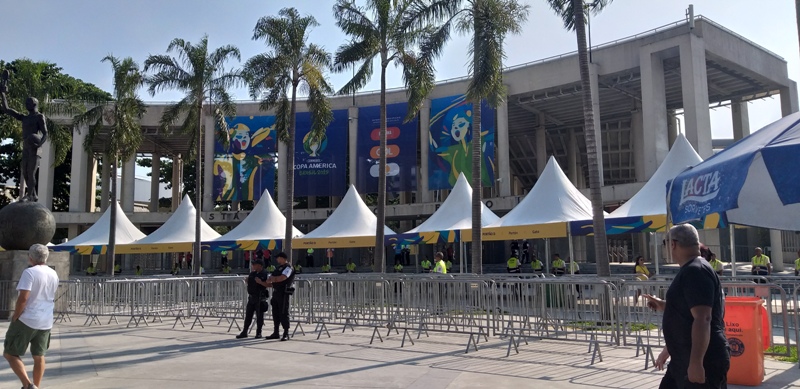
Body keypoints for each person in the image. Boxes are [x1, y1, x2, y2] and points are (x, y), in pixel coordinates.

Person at [644, 224, 729, 389]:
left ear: (673, 244)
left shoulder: (696, 271)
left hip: (702, 358)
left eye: (665, 243)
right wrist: (663, 305)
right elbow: (688, 311)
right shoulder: (692, 270)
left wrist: (696, 363)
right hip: (682, 358)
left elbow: (703, 318)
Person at [3, 244, 59, 389]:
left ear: (31, 257)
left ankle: (27, 385)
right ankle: (37, 386)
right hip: (45, 320)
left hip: (28, 318)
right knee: (39, 356)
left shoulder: (30, 273)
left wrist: (16, 316)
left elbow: (23, 299)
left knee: (10, 353)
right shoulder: (53, 273)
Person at [0, 73, 47, 202]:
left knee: (31, 172)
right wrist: (3, 94)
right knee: (25, 171)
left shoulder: (39, 117)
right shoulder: (24, 117)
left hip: (35, 145)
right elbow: (7, 109)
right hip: (26, 145)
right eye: (26, 102)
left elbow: (45, 133)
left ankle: (30, 195)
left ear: (35, 104)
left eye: (29, 102)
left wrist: (40, 144)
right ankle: (34, 195)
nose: (27, 104)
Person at [258, 252, 295, 341]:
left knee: (283, 312)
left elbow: (283, 277)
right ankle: (276, 332)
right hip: (276, 292)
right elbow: (271, 278)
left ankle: (286, 333)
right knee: (276, 313)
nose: (277, 260)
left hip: (283, 292)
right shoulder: (278, 268)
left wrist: (273, 279)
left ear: (282, 258)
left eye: (278, 258)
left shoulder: (288, 268)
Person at [237, 259, 270, 339]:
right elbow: (250, 282)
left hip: (260, 298)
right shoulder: (252, 273)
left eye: (255, 264)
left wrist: (260, 282)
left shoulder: (264, 274)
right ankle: (245, 331)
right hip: (251, 298)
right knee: (248, 316)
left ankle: (259, 332)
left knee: (259, 317)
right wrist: (247, 281)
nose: (253, 266)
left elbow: (268, 284)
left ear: (260, 265)